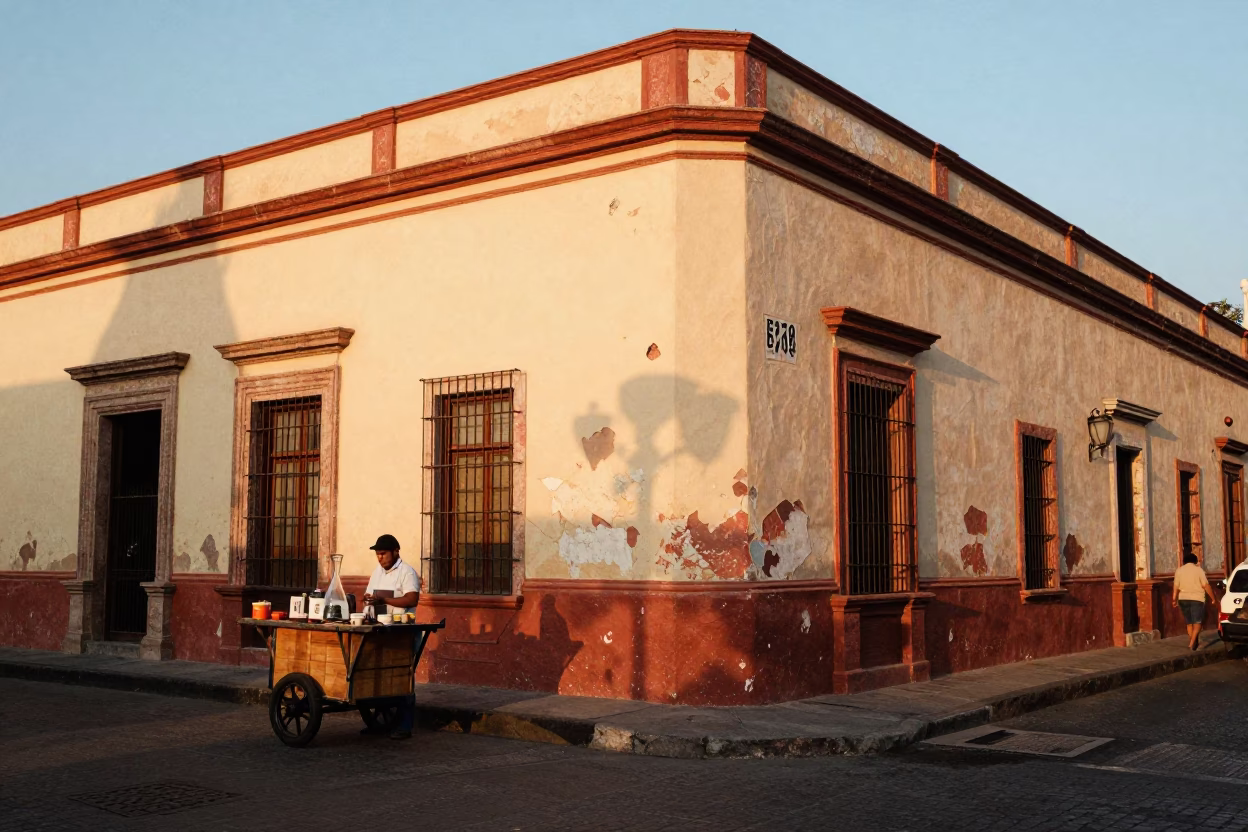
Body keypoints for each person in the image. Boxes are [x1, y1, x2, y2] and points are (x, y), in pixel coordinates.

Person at [361, 534, 422, 739]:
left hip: (402, 632)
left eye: (383, 554)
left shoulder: (407, 572)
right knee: (379, 675)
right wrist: (369, 600)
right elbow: (371, 596)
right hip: (380, 631)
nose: (380, 558)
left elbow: (412, 598)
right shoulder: (376, 573)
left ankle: (404, 726)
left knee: (402, 676)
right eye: (377, 554)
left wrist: (384, 598)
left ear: (396, 551)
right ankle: (379, 722)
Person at [1172, 552, 1217, 651]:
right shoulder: (1199, 570)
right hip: (1197, 599)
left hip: (1183, 598)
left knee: (1189, 622)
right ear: (1195, 561)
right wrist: (1213, 598)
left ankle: (1193, 641)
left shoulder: (1179, 571)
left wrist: (1174, 599)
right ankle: (1192, 644)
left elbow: (1176, 586)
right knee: (1198, 623)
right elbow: (1206, 585)